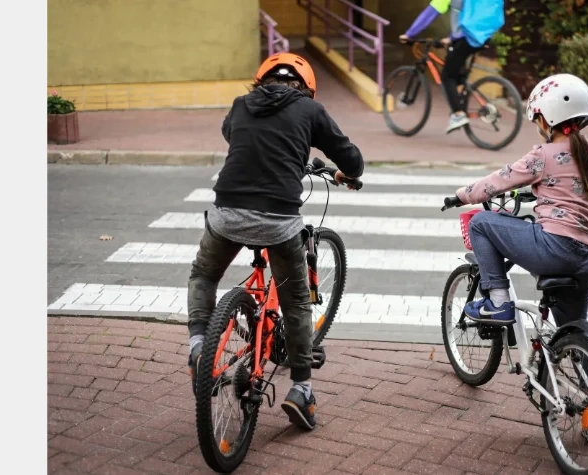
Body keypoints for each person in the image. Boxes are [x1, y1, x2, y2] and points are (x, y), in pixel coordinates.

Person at [186, 52, 364, 431]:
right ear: (307, 87)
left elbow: (232, 135)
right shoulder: (310, 111)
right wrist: (347, 171)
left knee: (204, 275)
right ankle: (301, 390)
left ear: (260, 80)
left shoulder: (241, 105)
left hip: (227, 211)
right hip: (278, 219)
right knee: (296, 301)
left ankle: (199, 347)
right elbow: (352, 159)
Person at [450, 73, 588, 436]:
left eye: (537, 117)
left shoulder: (542, 155)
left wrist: (462, 194)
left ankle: (498, 302)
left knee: (483, 223)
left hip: (555, 249)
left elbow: (498, 181)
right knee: (575, 333)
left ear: (546, 117)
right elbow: (570, 187)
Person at [399, 0, 504, 133]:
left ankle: (458, 115)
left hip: (466, 38)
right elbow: (464, 15)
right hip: (482, 36)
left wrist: (409, 34)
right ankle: (461, 98)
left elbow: (430, 13)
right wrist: (451, 38)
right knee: (456, 70)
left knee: (447, 76)